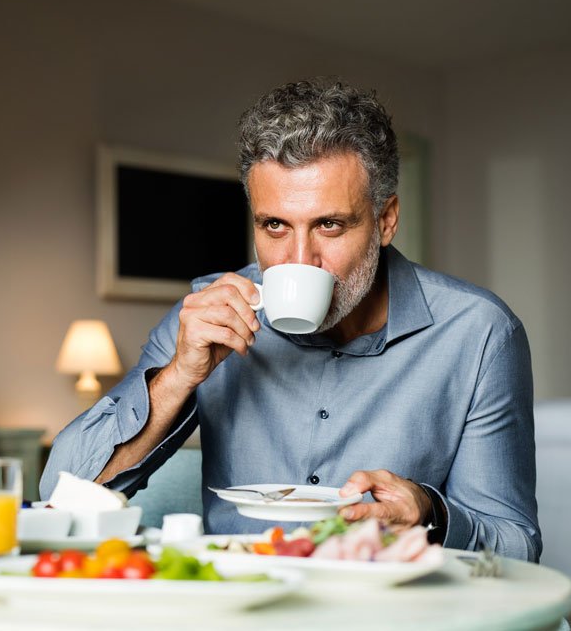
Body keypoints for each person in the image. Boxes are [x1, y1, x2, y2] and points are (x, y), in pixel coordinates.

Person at [41, 79, 541, 562]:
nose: (300, 259)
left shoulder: (478, 333)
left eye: (329, 224)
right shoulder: (208, 314)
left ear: (385, 220)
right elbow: (60, 491)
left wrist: (430, 512)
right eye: (275, 225)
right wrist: (179, 377)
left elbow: (516, 546)